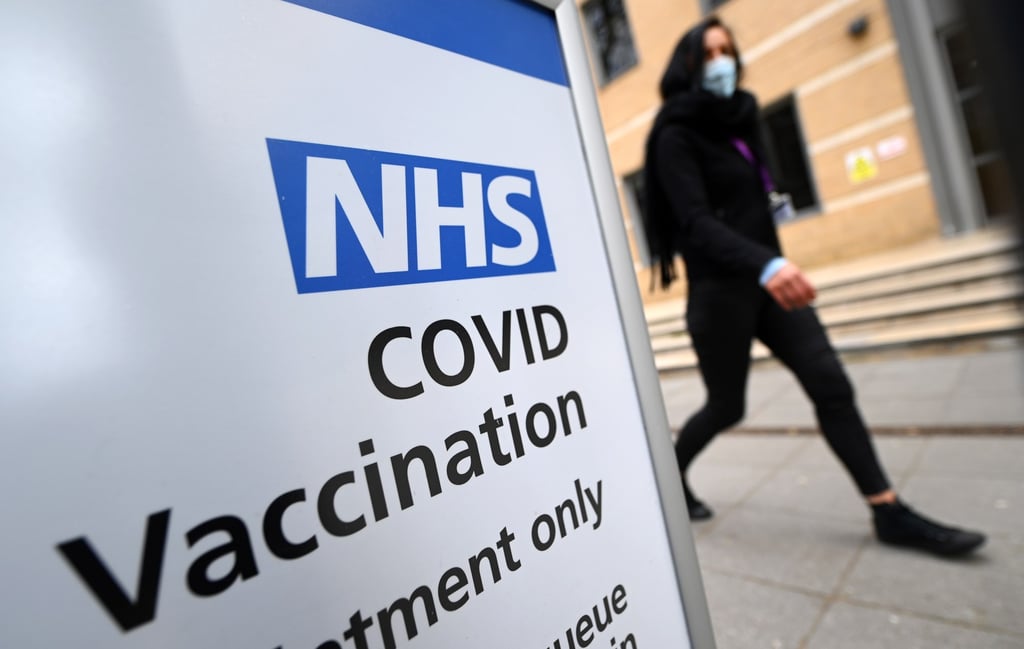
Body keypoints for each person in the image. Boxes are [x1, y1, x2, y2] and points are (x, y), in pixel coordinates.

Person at [642, 17, 985, 557]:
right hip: (722, 296)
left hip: (769, 282)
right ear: (686, 64)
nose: (721, 62)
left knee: (830, 381)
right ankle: (671, 475)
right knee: (727, 407)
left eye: (728, 50)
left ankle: (887, 509)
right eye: (708, 54)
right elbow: (695, 224)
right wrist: (764, 264)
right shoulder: (674, 134)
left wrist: (770, 261)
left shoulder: (742, 118)